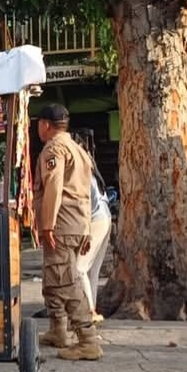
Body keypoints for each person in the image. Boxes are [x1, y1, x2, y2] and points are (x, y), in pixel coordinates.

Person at [34, 104, 100, 361]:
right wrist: (85, 230)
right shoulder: (79, 149)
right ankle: (58, 329)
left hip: (60, 224)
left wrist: (47, 223)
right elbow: (85, 192)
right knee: (53, 278)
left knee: (65, 281)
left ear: (46, 124)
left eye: (38, 123)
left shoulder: (54, 148)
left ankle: (87, 339)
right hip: (76, 223)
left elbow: (54, 185)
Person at [72, 131, 112, 325]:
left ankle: (89, 312)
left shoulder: (80, 165)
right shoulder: (88, 162)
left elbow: (84, 202)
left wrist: (85, 232)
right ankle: (91, 310)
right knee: (91, 271)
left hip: (95, 220)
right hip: (104, 217)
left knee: (79, 268)